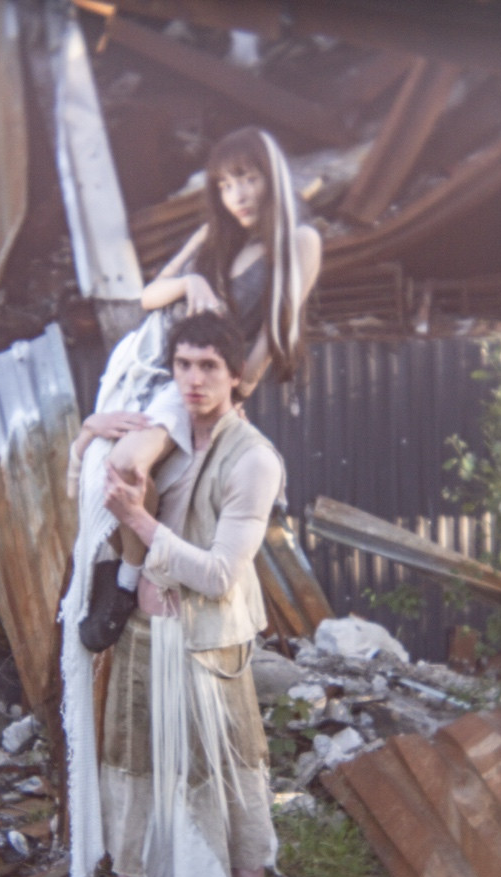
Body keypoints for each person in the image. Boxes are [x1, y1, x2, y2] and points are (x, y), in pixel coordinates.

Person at [62, 311, 297, 877]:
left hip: (211, 645)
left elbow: (222, 574)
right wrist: (87, 432)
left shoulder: (252, 459)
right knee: (130, 781)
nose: (194, 380)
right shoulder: (160, 431)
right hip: (142, 638)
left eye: (209, 368)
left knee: (233, 787)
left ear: (237, 378)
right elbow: (90, 486)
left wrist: (139, 521)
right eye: (184, 365)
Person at [65, 125, 321, 610]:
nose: (237, 195)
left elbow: (273, 335)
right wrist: (191, 282)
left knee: (126, 463)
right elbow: (148, 296)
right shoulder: (214, 235)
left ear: (272, 177)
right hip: (142, 362)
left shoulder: (300, 241)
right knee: (94, 454)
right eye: (225, 184)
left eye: (248, 179)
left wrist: (234, 395)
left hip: (190, 378)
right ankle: (106, 569)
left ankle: (126, 582)